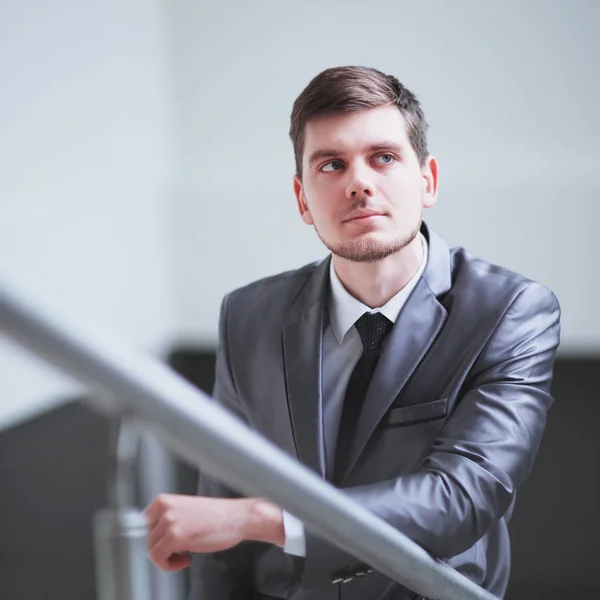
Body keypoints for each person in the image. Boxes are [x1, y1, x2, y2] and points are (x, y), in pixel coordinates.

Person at [144, 66, 561, 599]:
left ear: (428, 180)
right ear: (302, 199)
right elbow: (225, 533)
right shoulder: (248, 315)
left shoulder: (511, 310)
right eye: (331, 165)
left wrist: (262, 518)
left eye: (383, 157)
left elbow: (465, 496)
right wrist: (240, 523)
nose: (359, 182)